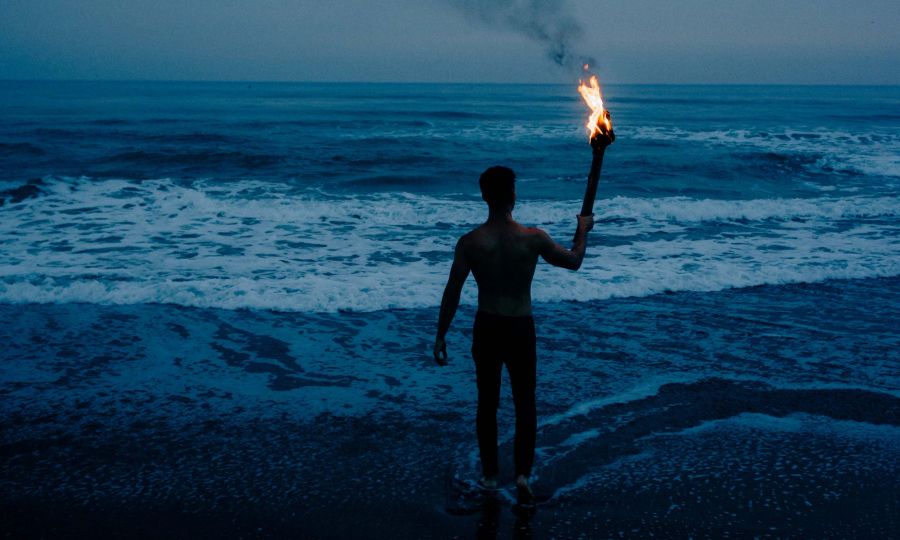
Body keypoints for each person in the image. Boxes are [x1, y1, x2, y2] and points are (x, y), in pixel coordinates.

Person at [433, 127, 612, 506]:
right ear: (513, 195)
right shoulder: (533, 238)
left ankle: (489, 475)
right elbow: (574, 262)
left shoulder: (470, 242)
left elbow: (453, 293)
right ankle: (524, 476)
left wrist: (441, 335)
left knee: (487, 402)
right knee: (525, 402)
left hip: (487, 326)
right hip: (520, 327)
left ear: (484, 196)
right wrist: (583, 231)